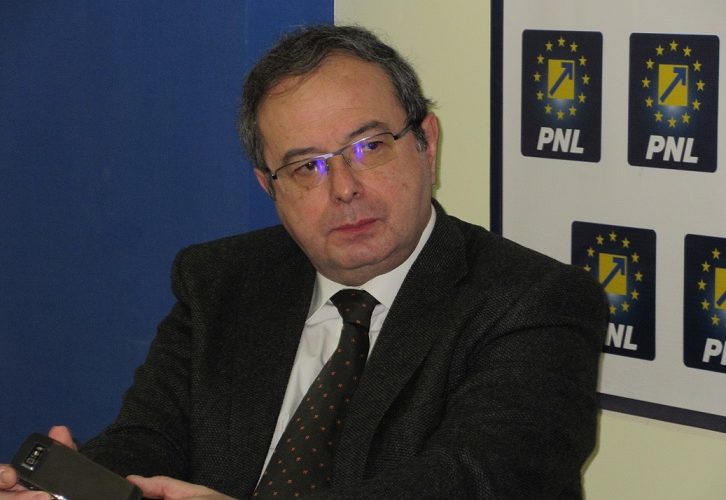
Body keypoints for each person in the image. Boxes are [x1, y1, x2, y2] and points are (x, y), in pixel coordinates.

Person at [0, 24, 607, 499]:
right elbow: (148, 440)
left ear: (426, 142)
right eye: (305, 167)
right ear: (270, 187)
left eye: (369, 146)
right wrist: (79, 485)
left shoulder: (533, 302)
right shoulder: (220, 282)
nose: (344, 188)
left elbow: (473, 482)